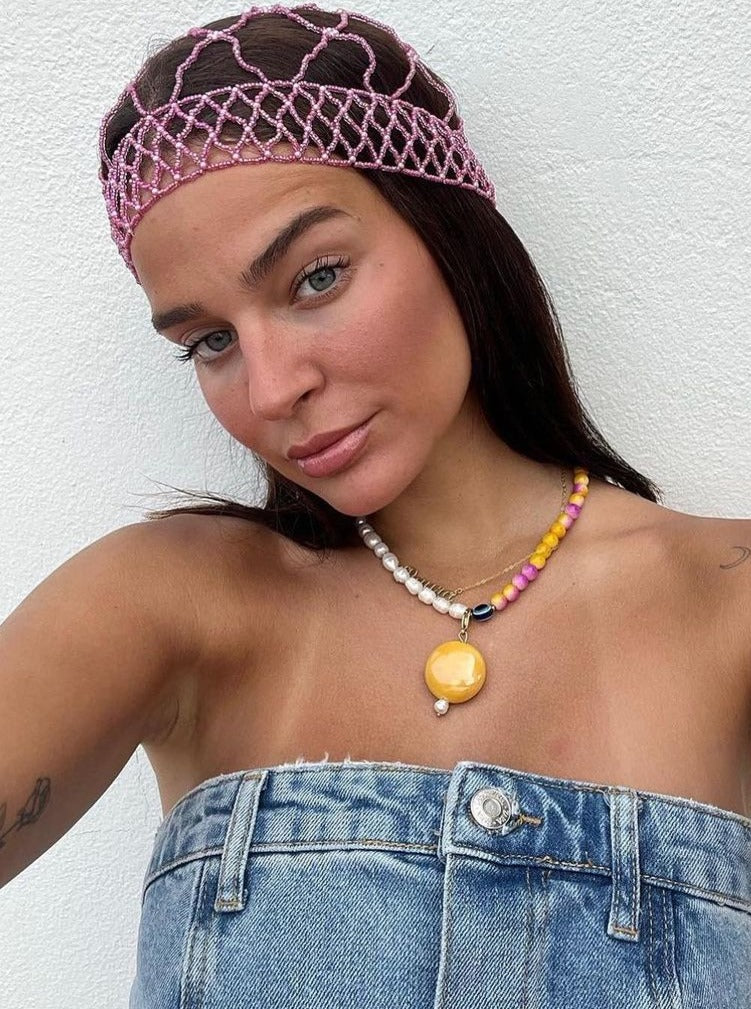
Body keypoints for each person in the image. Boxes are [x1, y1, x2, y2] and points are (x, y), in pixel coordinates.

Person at [2, 4, 750, 1005]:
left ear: (449, 233)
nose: (272, 388)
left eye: (316, 277)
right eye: (209, 341)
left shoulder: (726, 605)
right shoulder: (168, 600)